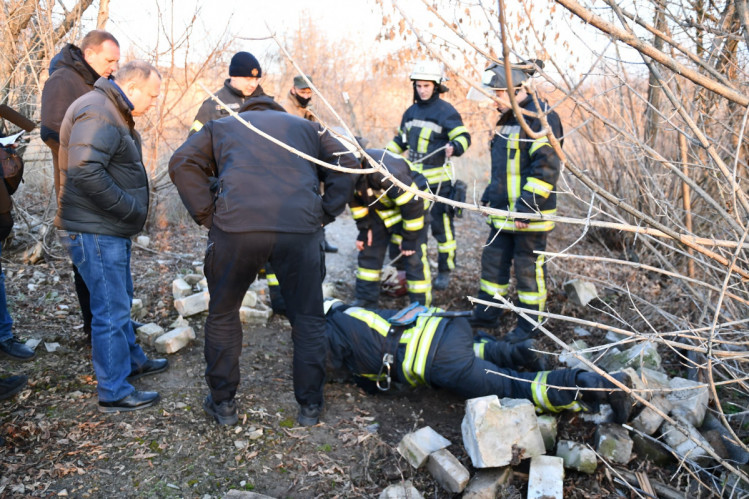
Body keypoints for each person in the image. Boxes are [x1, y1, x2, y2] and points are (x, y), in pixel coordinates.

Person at [169, 95, 357, 427]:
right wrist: (325, 211)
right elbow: (349, 161)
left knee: (224, 314)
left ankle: (223, 405)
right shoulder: (309, 128)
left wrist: (207, 214)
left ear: (247, 112)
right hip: (299, 228)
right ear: (278, 113)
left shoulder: (224, 125)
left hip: (236, 228)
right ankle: (310, 408)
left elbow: (181, 161)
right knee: (309, 319)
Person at [55, 60, 168, 413]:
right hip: (96, 230)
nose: (154, 102)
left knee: (120, 300)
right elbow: (85, 170)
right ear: (131, 87)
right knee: (110, 308)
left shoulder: (108, 107)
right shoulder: (99, 110)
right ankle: (114, 390)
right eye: (152, 94)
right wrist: (128, 208)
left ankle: (132, 361)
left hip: (105, 229)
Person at [324, 300, 633, 423]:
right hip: (448, 326)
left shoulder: (326, 334)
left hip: (442, 361)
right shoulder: (349, 312)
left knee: (516, 387)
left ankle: (597, 385)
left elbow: (342, 370)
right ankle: (518, 352)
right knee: (479, 353)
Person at [468, 61, 563, 344]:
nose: (493, 100)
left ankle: (530, 327)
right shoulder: (508, 119)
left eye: (498, 93)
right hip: (503, 215)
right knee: (492, 264)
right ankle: (486, 317)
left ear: (518, 90)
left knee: (528, 271)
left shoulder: (542, 119)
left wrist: (528, 208)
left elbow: (545, 170)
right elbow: (504, 170)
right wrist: (490, 195)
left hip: (528, 216)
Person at [41, 30, 121, 341]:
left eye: (117, 60)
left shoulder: (98, 82)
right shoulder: (64, 80)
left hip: (105, 186)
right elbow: (51, 133)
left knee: (107, 264)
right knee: (88, 265)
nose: (114, 66)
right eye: (109, 59)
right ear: (89, 54)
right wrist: (92, 158)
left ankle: (114, 327)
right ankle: (96, 330)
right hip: (80, 190)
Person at [386, 60, 471, 291]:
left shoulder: (446, 111)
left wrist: (456, 146)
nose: (422, 89)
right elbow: (400, 141)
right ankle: (411, 270)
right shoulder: (410, 112)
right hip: (412, 184)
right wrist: (382, 157)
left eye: (427, 85)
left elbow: (464, 137)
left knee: (442, 231)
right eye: (419, 85)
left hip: (439, 185)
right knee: (413, 228)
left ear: (437, 86)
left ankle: (445, 271)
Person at [351, 148, 432, 308]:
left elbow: (412, 202)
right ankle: (366, 301)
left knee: (413, 256)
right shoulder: (346, 174)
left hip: (414, 207)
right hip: (383, 210)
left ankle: (421, 307)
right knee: (369, 250)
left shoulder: (383, 170)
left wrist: (409, 238)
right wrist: (363, 230)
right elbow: (356, 203)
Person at [281, 74, 338, 254]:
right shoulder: (285, 108)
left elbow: (320, 129)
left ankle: (320, 239)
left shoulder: (310, 107)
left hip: (311, 158)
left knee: (316, 198)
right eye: (302, 92)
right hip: (291, 161)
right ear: (293, 89)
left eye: (308, 92)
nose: (305, 95)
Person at [188, 51, 267, 136]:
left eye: (256, 79)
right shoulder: (212, 105)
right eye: (248, 79)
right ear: (233, 76)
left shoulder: (265, 103)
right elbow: (194, 144)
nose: (253, 84)